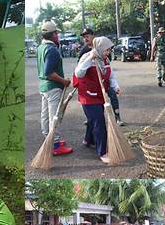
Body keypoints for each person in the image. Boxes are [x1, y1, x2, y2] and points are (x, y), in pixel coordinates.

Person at [74, 36, 121, 164]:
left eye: (109, 50)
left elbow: (111, 75)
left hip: (100, 94)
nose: (108, 53)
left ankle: (88, 140)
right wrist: (90, 59)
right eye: (107, 50)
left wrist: (115, 86)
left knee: (93, 119)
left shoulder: (105, 60)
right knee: (99, 122)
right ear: (100, 48)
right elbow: (78, 73)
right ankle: (102, 152)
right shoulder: (88, 57)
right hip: (88, 96)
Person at [36, 21, 73, 156]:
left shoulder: (40, 47)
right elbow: (49, 73)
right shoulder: (52, 50)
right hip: (52, 88)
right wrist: (64, 81)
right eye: (56, 33)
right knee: (54, 117)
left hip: (44, 87)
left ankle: (49, 139)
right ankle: (55, 144)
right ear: (53, 35)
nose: (58, 36)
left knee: (45, 116)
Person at [78, 28, 125, 126]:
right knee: (93, 106)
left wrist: (115, 86)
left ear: (92, 36)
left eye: (87, 36)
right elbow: (79, 71)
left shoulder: (104, 47)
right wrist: (89, 58)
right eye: (84, 37)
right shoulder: (85, 51)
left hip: (104, 82)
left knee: (113, 95)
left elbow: (109, 71)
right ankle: (91, 118)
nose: (85, 39)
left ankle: (117, 117)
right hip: (92, 85)